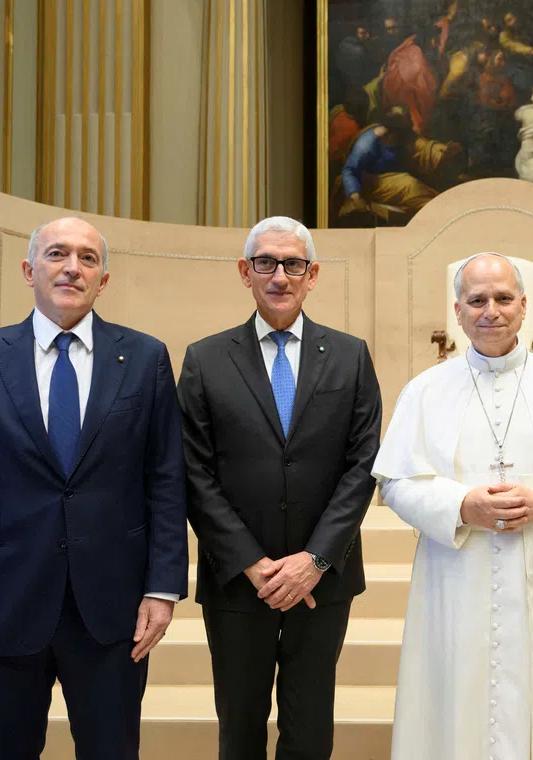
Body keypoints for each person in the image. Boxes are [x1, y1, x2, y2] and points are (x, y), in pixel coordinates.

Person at [0, 216, 188, 758]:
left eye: (88, 258)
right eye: (57, 254)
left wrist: (163, 589)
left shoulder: (144, 358)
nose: (72, 267)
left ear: (103, 280)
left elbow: (165, 479)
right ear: (29, 269)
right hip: (0, 608)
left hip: (113, 614)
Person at [373, 252, 533, 760]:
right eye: (477, 300)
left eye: (503, 298)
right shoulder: (423, 392)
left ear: (524, 306)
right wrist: (460, 505)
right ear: (458, 310)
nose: (491, 310)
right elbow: (395, 483)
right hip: (457, 577)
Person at [177, 216, 382, 760]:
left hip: (322, 581)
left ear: (312, 274)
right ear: (246, 272)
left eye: (293, 264)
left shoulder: (350, 355)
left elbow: (362, 465)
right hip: (239, 583)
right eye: (265, 263)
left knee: (310, 731)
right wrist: (251, 562)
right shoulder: (204, 359)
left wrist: (313, 560)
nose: (280, 276)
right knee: (239, 732)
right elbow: (193, 472)